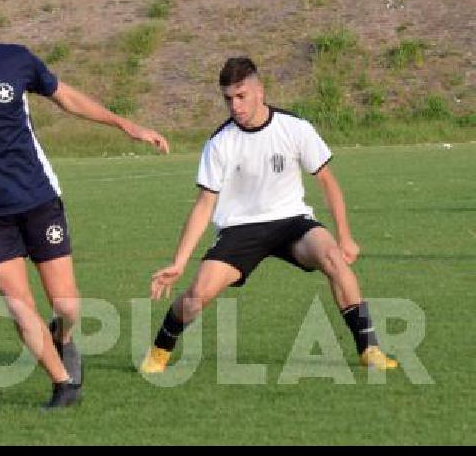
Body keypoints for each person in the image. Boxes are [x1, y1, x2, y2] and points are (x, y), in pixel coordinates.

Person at [0, 0, 170, 409]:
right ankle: (63, 383)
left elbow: (65, 96)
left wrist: (126, 124)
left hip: (38, 198)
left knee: (68, 306)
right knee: (19, 305)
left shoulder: (17, 60)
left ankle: (63, 336)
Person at [140, 57, 398, 374]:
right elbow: (205, 204)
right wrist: (179, 262)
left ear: (260, 91)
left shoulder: (294, 128)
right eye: (227, 98)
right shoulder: (220, 143)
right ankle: (159, 351)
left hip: (291, 222)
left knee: (333, 257)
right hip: (240, 228)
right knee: (197, 296)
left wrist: (344, 236)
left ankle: (369, 349)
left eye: (241, 95)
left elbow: (327, 181)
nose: (234, 106)